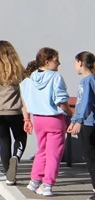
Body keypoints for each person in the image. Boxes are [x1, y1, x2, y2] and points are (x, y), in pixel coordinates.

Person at [20, 47, 72, 197]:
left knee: (42, 150)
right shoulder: (56, 77)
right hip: (54, 119)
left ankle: (35, 180)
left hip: (38, 119)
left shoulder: (29, 79)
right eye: (56, 60)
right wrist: (70, 114)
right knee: (54, 154)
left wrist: (27, 119)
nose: (59, 63)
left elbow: (25, 102)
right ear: (47, 62)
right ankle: (47, 184)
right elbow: (61, 100)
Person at [0, 40, 27, 186]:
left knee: (4, 141)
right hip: (14, 111)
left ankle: (9, 175)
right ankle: (16, 158)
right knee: (20, 137)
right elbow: (24, 86)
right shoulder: (17, 69)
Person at [68, 51, 95, 200]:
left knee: (91, 158)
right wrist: (74, 120)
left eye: (75, 63)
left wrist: (79, 120)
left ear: (80, 63)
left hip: (89, 123)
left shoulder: (87, 80)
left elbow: (85, 103)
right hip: (87, 121)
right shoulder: (90, 80)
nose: (74, 66)